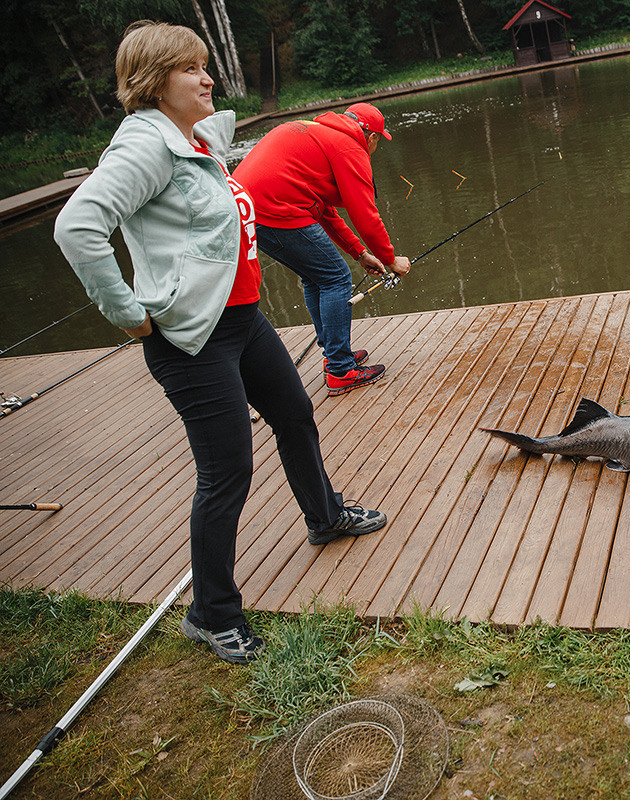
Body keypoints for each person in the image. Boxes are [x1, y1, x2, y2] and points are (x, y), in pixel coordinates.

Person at [53, 21, 389, 665]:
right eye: (191, 69)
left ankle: (325, 517)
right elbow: (79, 227)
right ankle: (210, 612)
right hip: (189, 338)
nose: (208, 78)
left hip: (241, 319)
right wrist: (128, 315)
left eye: (206, 65)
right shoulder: (144, 149)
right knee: (227, 471)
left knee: (295, 415)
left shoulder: (190, 138)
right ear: (154, 83)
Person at [232, 102, 411, 396]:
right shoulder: (350, 147)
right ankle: (341, 370)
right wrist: (390, 259)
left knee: (318, 276)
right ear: (372, 136)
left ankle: (335, 355)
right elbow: (365, 215)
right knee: (336, 278)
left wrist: (360, 253)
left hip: (248, 209)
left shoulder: (322, 134)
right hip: (274, 208)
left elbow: (323, 210)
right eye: (380, 140)